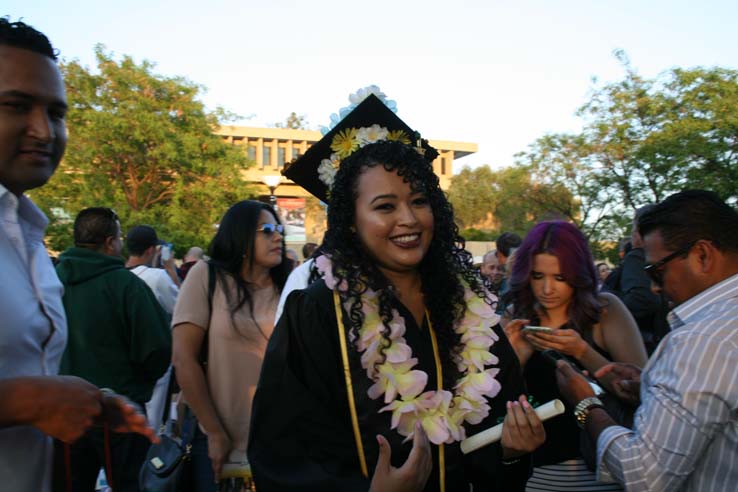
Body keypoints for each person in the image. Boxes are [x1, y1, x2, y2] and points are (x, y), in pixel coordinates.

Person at [249, 92, 545, 492]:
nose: (408, 219)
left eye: (419, 201)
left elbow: (497, 424)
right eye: (385, 206)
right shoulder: (319, 314)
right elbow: (280, 454)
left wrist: (511, 452)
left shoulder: (470, 311)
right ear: (351, 221)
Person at [0, 18, 156, 492]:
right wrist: (28, 402)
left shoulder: (26, 235)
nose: (44, 130)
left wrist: (86, 401)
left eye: (58, 112)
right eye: (16, 106)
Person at [556, 190, 738, 491]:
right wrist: (654, 390)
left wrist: (585, 403)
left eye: (657, 271)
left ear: (702, 255)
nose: (653, 288)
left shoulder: (702, 340)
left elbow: (643, 475)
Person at [502, 220, 647, 490]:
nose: (547, 289)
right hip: (536, 475)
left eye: (560, 277)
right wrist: (515, 361)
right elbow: (492, 405)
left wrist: (582, 351)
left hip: (605, 470)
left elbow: (645, 393)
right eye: (537, 276)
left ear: (578, 274)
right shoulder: (514, 315)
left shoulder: (605, 310)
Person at [172, 200, 290, 490]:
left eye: (279, 230)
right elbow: (183, 358)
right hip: (216, 441)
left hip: (281, 443)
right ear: (239, 235)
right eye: (267, 230)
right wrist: (213, 431)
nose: (278, 237)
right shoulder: (207, 276)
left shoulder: (289, 284)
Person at [56, 207, 172, 491]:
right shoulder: (126, 286)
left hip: (61, 411)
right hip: (121, 413)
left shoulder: (49, 281)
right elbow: (156, 349)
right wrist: (138, 386)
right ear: (110, 242)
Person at [602, 206, 670, 354]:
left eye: (633, 228)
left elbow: (642, 300)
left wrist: (608, 304)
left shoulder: (637, 257)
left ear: (639, 233)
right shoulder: (663, 261)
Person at [126, 224, 180, 314]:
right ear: (150, 250)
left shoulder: (116, 274)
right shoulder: (158, 276)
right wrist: (171, 270)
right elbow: (180, 308)